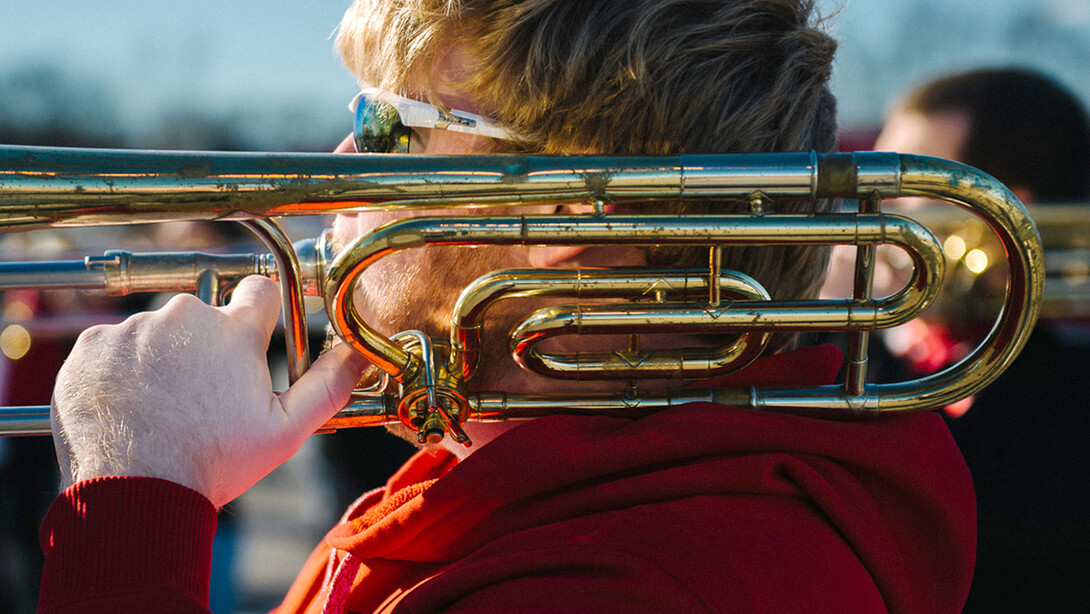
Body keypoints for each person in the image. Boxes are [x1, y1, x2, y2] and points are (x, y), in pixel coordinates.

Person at [37, 1, 975, 612]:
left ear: (560, 209)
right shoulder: (557, 493)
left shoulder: (630, 584)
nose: (339, 166)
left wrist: (134, 497)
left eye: (387, 126)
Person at [873, 67, 1090, 612]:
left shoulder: (1068, 402)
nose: (871, 218)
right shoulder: (848, 350)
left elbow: (947, 510)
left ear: (1007, 217)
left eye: (906, 193)